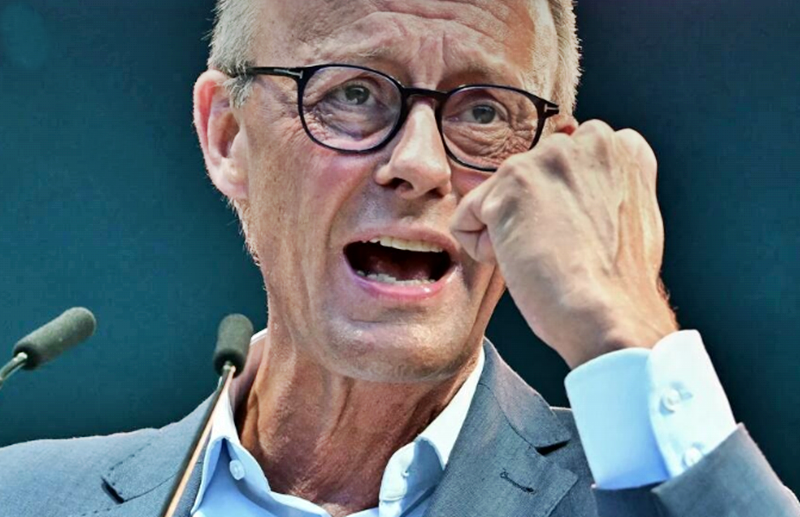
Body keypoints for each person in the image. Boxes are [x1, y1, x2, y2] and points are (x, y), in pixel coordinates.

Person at [0, 0, 797, 516]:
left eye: (483, 111)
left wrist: (631, 330)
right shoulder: (25, 496)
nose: (420, 163)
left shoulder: (639, 495)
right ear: (229, 136)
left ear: (553, 168)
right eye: (352, 93)